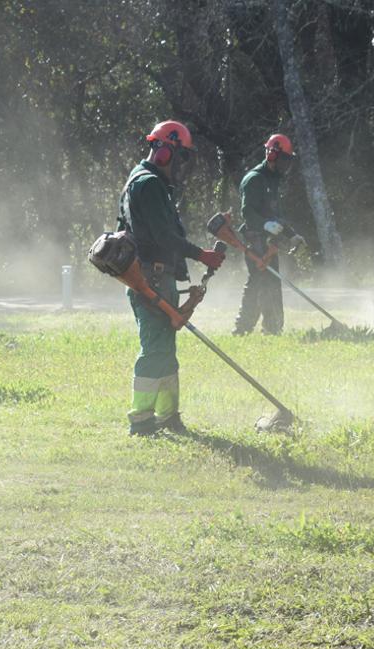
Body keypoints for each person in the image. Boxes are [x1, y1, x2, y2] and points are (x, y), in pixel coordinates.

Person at [118, 120, 226, 436]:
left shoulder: (141, 179)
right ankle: (141, 421)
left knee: (165, 349)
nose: (181, 164)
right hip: (150, 278)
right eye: (181, 156)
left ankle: (167, 416)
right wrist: (201, 255)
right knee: (155, 349)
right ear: (165, 151)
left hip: (155, 276)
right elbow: (164, 237)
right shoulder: (149, 184)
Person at [232, 133, 305, 335]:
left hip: (268, 240)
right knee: (258, 282)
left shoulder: (273, 180)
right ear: (272, 155)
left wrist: (291, 235)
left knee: (271, 283)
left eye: (288, 160)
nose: (286, 164)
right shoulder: (255, 179)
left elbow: (276, 214)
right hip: (255, 239)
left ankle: (272, 329)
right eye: (284, 159)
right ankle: (242, 328)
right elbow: (247, 212)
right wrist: (265, 224)